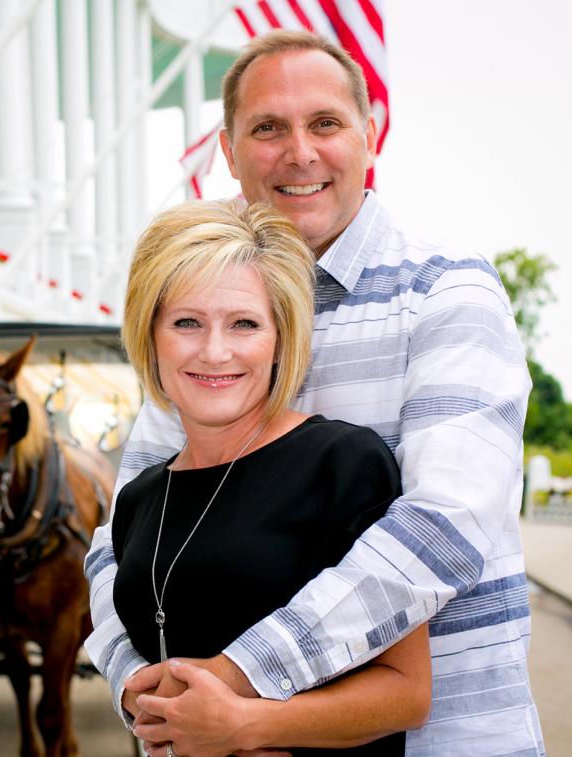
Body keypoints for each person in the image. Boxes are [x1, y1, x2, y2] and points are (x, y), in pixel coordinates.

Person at [84, 29, 544, 755]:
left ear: (368, 135)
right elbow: (121, 538)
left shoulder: (443, 291)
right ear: (229, 153)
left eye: (324, 123)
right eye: (267, 128)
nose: (298, 152)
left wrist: (240, 685)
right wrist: (147, 693)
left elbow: (443, 528)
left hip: (448, 738)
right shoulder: (205, 313)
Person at [112, 198, 430, 755]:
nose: (214, 352)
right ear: (151, 336)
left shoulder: (344, 463)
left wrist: (245, 724)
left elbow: (407, 693)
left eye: (244, 324)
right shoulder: (139, 500)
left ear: (280, 340)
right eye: (186, 322)